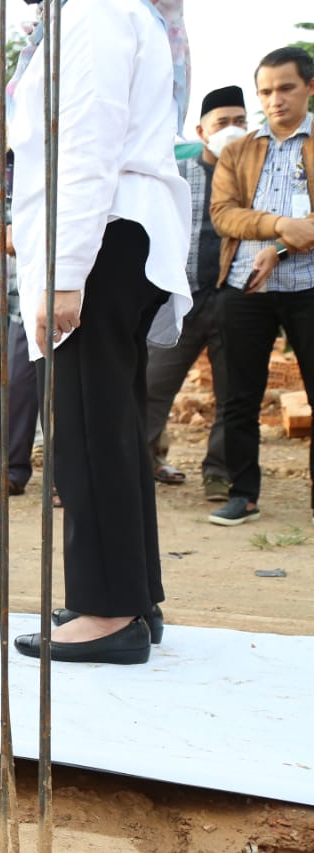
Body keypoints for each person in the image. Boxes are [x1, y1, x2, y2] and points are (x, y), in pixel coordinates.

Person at [9, 0, 192, 664]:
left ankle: (107, 609)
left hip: (101, 239)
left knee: (87, 427)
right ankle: (132, 595)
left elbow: (86, 144)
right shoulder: (117, 10)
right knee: (109, 423)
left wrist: (64, 273)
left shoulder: (90, 11)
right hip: (116, 237)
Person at [208, 46, 314, 527]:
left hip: (309, 286)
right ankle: (242, 493)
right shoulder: (237, 150)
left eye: (286, 88)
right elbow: (223, 215)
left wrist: (287, 246)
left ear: (309, 87)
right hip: (245, 287)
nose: (276, 100)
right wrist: (277, 226)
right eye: (266, 92)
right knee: (238, 397)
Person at [145, 85, 248, 501]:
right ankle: (141, 459)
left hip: (234, 297)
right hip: (180, 298)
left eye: (240, 122)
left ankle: (219, 473)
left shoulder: (252, 176)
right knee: (152, 385)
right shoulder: (177, 174)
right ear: (201, 130)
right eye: (222, 123)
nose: (232, 130)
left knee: (231, 393)